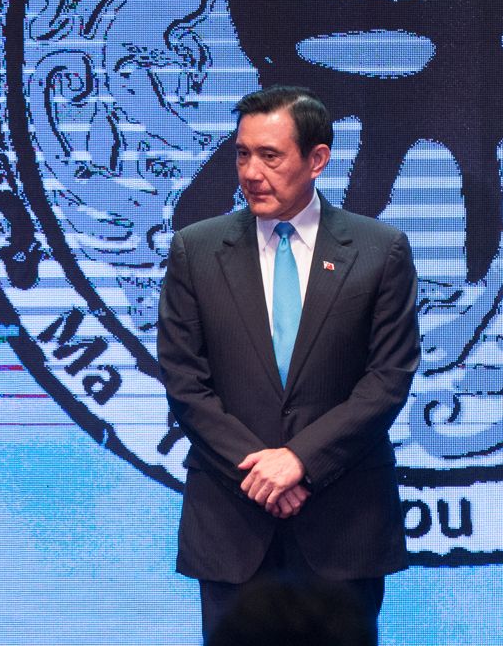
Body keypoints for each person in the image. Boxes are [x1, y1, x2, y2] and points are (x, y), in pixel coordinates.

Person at [156, 86, 420, 643]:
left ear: (317, 159)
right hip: (231, 522)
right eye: (242, 154)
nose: (251, 173)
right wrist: (262, 474)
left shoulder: (380, 251)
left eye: (270, 156)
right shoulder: (195, 251)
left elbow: (387, 380)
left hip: (343, 523)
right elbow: (184, 384)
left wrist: (301, 461)